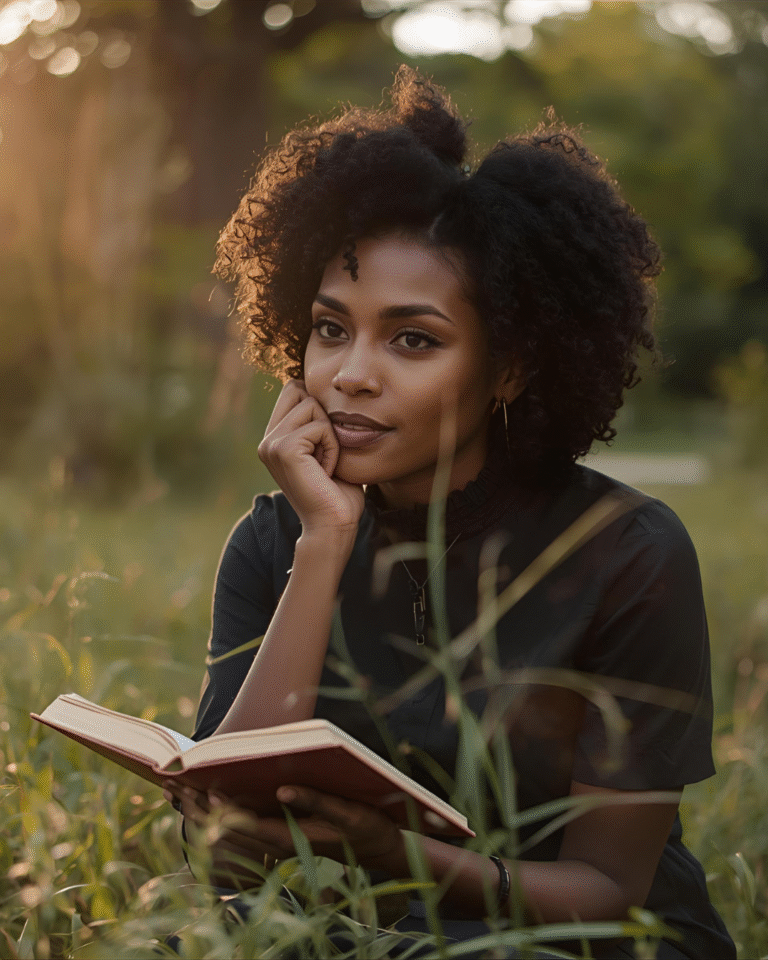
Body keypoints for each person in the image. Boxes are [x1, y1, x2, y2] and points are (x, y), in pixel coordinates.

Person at [161, 67, 735, 958]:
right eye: (328, 328)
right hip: (361, 934)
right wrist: (325, 543)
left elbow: (609, 890)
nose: (352, 372)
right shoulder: (276, 539)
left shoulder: (626, 552)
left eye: (413, 339)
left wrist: (404, 858)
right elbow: (227, 851)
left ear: (507, 368)